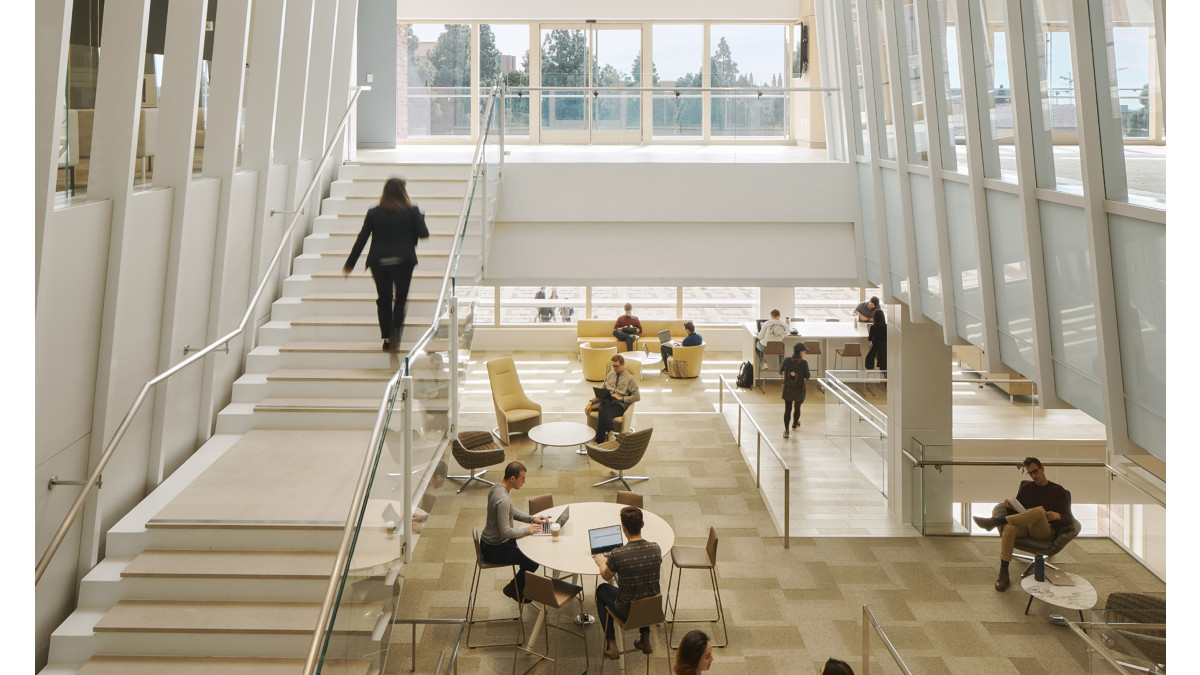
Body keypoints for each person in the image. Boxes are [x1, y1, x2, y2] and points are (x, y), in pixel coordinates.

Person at [343, 177, 430, 352]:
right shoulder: (412, 211)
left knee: (384, 299)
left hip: (379, 262)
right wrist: (419, 216)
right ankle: (396, 334)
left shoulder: (374, 212)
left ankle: (387, 338)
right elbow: (423, 234)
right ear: (403, 193)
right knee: (400, 299)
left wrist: (350, 263)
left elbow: (362, 238)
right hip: (404, 262)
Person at [971, 457, 1075, 592]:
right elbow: (1018, 512)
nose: (1033, 476)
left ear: (1042, 468)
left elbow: (1069, 519)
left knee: (1038, 512)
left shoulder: (1058, 491)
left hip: (1045, 531)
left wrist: (1057, 515)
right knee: (1009, 527)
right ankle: (1004, 573)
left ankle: (995, 522)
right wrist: (1009, 506)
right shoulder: (1026, 488)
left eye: (1035, 472)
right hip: (1026, 527)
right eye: (1030, 473)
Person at [593, 506, 662, 661]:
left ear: (623, 528)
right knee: (644, 587)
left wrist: (602, 561)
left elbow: (605, 575)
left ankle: (612, 644)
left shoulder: (618, 554)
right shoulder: (656, 548)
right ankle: (645, 638)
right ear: (643, 524)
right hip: (653, 609)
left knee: (602, 589)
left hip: (628, 611)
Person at [479, 461, 551, 603]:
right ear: (513, 479)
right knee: (532, 561)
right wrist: (527, 530)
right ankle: (514, 588)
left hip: (492, 542)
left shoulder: (497, 487)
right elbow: (506, 532)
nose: (524, 482)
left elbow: (511, 511)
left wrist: (532, 519)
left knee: (531, 545)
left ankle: (520, 585)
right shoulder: (503, 498)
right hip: (494, 548)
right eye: (522, 478)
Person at [585, 354, 641, 443]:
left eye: (617, 366)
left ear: (623, 364)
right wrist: (590, 402)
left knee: (602, 410)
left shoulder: (630, 379)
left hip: (619, 405)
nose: (614, 368)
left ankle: (600, 440)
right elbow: (601, 392)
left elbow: (637, 396)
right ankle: (610, 432)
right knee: (605, 401)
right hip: (607, 402)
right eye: (613, 366)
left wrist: (622, 398)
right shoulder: (609, 375)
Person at [780, 342, 810, 438]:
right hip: (799, 388)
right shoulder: (804, 363)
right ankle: (795, 423)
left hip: (788, 388)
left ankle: (786, 431)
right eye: (804, 351)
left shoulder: (787, 360)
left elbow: (781, 371)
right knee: (797, 407)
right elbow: (807, 376)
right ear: (801, 352)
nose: (804, 353)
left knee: (787, 409)